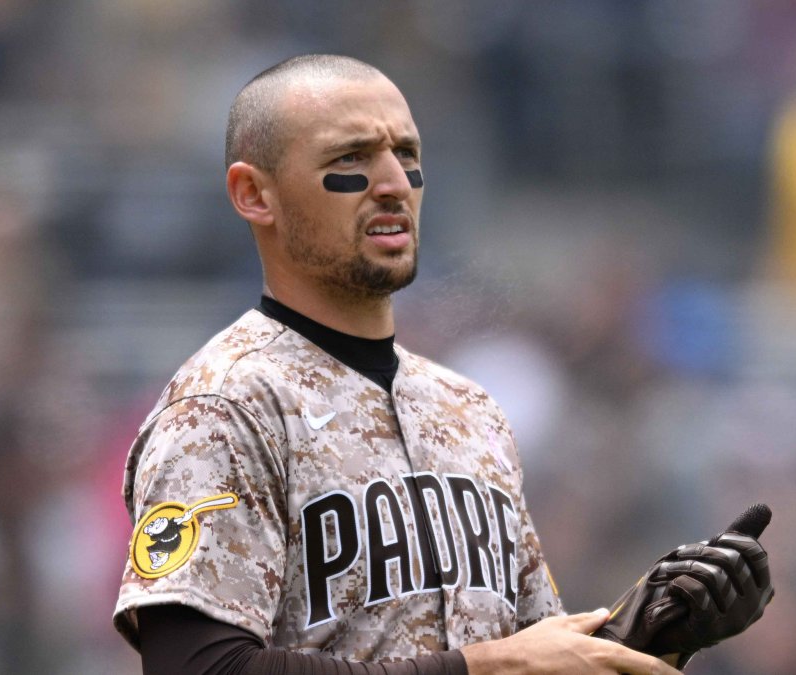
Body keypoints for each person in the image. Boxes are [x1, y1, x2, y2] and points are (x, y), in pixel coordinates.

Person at [113, 54, 683, 675]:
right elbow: (198, 668)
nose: (394, 182)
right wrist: (484, 667)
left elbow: (538, 659)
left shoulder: (468, 408)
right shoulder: (226, 407)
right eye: (350, 159)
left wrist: (659, 633)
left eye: (406, 154)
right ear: (255, 194)